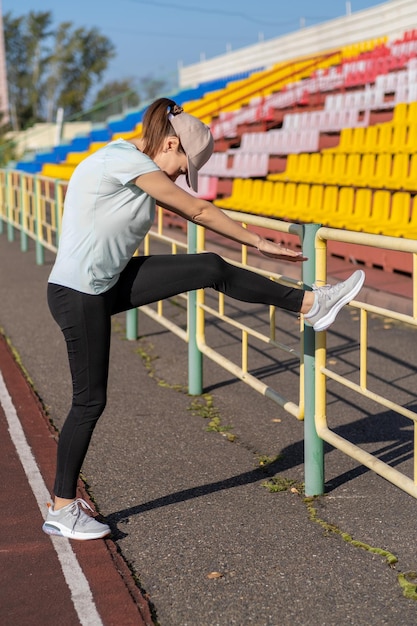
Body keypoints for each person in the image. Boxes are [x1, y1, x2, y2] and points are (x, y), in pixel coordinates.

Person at [42, 97, 365, 540]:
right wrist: (259, 242)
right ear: (170, 143)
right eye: (181, 168)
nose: (178, 177)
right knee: (90, 401)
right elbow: (195, 209)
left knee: (209, 266)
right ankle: (61, 507)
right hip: (80, 294)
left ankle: (311, 305)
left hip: (103, 282)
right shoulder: (121, 160)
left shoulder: (134, 164)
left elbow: (188, 208)